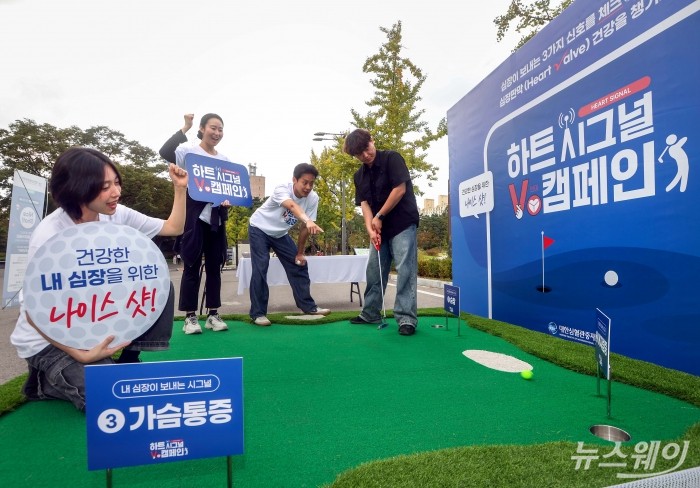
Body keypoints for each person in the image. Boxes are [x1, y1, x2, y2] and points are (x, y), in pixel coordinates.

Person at [10, 146, 188, 411]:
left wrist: (180, 188)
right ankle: (42, 382)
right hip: (51, 341)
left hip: (93, 325)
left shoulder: (116, 214)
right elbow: (34, 312)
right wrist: (79, 353)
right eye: (105, 186)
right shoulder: (51, 234)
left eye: (116, 182)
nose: (116, 192)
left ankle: (128, 359)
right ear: (78, 187)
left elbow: (173, 227)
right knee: (111, 397)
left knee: (155, 276)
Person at [343, 129, 419, 336]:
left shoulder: (392, 158)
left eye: (366, 149)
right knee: (374, 269)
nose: (365, 155)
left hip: (402, 223)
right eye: (359, 154)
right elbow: (365, 205)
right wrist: (370, 228)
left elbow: (399, 190)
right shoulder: (358, 176)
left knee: (405, 269)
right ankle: (370, 313)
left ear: (372, 141)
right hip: (379, 227)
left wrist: (380, 217)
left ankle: (406, 319)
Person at [159, 113, 231, 335]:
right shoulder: (188, 152)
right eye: (213, 128)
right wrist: (185, 127)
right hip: (193, 215)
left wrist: (228, 202)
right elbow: (164, 152)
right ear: (202, 128)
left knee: (215, 266)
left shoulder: (225, 160)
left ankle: (213, 314)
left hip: (216, 218)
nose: (217, 133)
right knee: (191, 264)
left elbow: (229, 189)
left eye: (220, 129)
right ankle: (190, 317)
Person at [247, 163, 331, 325]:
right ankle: (258, 313)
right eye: (304, 182)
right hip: (259, 228)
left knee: (299, 264)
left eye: (311, 183)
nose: (308, 187)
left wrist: (300, 253)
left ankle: (308, 306)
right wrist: (307, 220)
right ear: (294, 180)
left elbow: (304, 229)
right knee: (261, 266)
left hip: (280, 234)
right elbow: (292, 207)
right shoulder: (282, 189)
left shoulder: (313, 198)